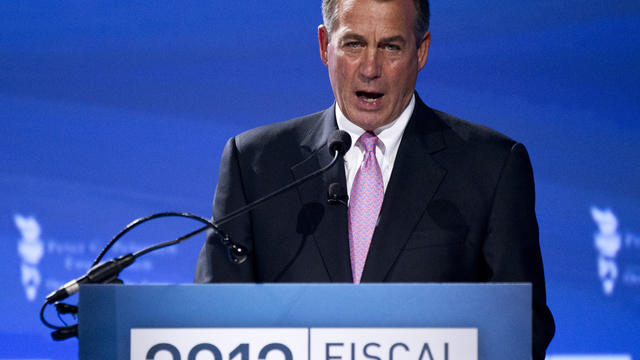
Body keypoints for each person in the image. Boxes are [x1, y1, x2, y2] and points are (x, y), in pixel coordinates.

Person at [195, 0, 555, 358]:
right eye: (354, 44)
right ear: (325, 46)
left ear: (421, 51)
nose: (371, 68)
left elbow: (523, 326)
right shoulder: (256, 163)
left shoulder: (491, 167)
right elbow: (214, 315)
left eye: (390, 46)